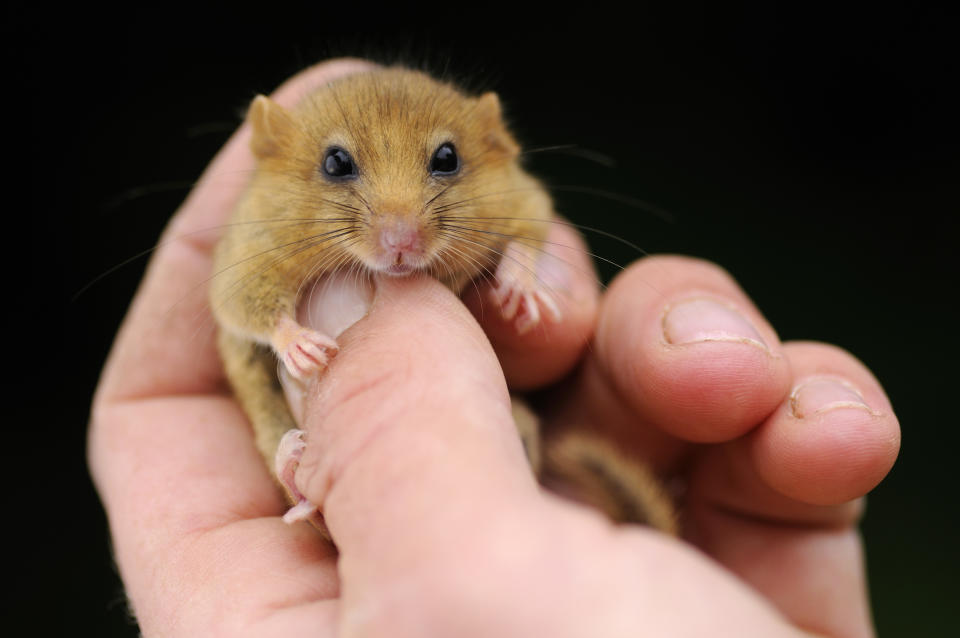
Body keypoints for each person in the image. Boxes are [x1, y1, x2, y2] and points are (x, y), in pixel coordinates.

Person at [88, 59, 900, 637]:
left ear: (485, 142)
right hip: (285, 425)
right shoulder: (266, 225)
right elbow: (234, 298)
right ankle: (298, 464)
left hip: (516, 469)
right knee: (277, 415)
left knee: (521, 411)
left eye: (442, 163)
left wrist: (515, 257)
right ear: (280, 156)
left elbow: (529, 206)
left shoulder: (490, 188)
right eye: (342, 169)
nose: (400, 224)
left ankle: (541, 496)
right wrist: (286, 328)